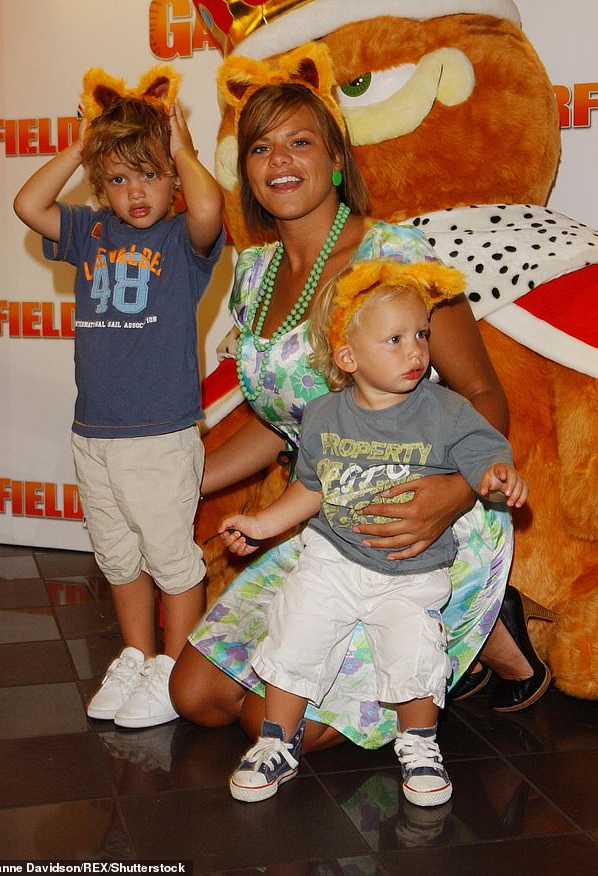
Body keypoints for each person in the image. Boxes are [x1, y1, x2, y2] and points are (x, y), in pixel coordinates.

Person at [169, 50, 547, 754]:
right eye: (260, 146)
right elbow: (284, 418)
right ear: (247, 171)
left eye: (299, 141)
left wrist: (453, 492)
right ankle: (462, 645)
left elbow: (481, 393)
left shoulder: (397, 257)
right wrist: (182, 474)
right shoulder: (254, 274)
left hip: (423, 523)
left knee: (263, 722)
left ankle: (477, 620)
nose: (279, 159)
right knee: (197, 696)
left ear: (337, 161)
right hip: (326, 527)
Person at [217, 258, 528, 805]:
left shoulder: (445, 410)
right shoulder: (323, 415)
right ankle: (276, 742)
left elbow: (483, 452)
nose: (416, 351)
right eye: (395, 339)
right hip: (332, 559)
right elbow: (310, 487)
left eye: (421, 336)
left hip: (412, 567)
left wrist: (495, 476)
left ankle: (420, 744)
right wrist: (261, 525)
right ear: (347, 357)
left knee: (415, 651)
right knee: (295, 631)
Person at [13, 68, 225, 729]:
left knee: (169, 556)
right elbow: (27, 204)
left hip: (159, 434)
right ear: (100, 186)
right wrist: (87, 145)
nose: (137, 192)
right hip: (94, 431)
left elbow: (212, 208)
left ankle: (174, 664)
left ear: (172, 180)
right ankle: (137, 655)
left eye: (152, 175)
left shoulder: (182, 240)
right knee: (116, 555)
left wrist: (183, 147)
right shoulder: (90, 232)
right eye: (120, 178)